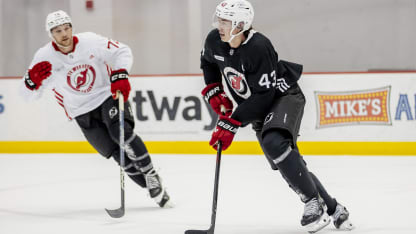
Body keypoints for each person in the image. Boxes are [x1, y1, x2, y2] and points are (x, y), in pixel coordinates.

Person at [200, 0, 354, 232]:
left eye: (226, 21)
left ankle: (313, 203)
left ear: (241, 24)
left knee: (274, 142)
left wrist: (232, 123)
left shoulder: (259, 47)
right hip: (257, 106)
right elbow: (208, 62)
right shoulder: (214, 40)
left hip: (283, 97)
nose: (219, 25)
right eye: (219, 19)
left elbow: (264, 95)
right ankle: (334, 208)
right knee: (287, 163)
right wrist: (215, 90)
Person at [20, 10, 172, 208]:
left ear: (72, 27)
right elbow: (27, 95)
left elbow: (122, 51)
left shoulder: (90, 41)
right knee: (117, 155)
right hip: (80, 111)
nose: (64, 34)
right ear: (51, 34)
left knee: (122, 133)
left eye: (67, 28)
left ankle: (151, 174)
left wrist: (120, 74)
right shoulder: (44, 56)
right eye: (58, 31)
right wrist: (32, 82)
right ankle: (155, 191)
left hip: (106, 96)